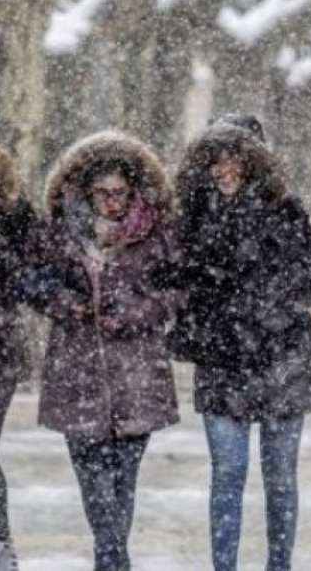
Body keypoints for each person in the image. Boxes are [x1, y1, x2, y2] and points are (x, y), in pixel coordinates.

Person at [169, 121, 311, 571]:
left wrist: (262, 295)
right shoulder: (192, 217)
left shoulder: (285, 210)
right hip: (223, 361)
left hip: (283, 358)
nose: (222, 169)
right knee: (227, 475)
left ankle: (280, 565)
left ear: (252, 160)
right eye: (213, 160)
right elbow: (176, 284)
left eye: (231, 158)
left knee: (279, 479)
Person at [29, 131, 179, 571]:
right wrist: (66, 304)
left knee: (122, 481)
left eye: (120, 192)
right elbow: (33, 281)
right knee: (93, 482)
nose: (112, 201)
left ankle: (110, 559)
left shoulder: (156, 234)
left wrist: (139, 311)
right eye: (102, 193)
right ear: (86, 193)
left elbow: (179, 289)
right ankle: (113, 558)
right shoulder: (59, 233)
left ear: (134, 191)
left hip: (136, 377)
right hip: (77, 375)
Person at [0, 137, 35, 571]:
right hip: (0, 348)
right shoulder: (14, 215)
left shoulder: (12, 216)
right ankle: (2, 542)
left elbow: (30, 273)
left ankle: (2, 543)